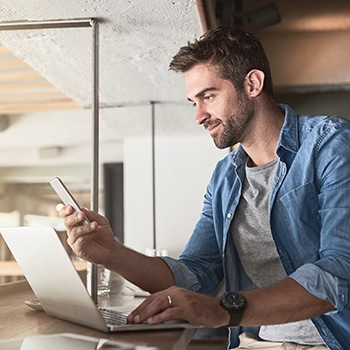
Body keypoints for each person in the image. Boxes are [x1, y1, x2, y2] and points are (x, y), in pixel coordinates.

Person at [60, 26, 350, 349]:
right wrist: (113, 254)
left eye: (208, 97)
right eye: (193, 102)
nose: (199, 116)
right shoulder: (225, 178)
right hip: (256, 342)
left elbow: (337, 275)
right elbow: (194, 275)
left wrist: (221, 309)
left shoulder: (330, 145)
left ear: (252, 84)